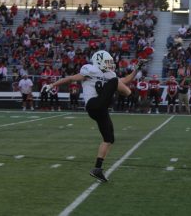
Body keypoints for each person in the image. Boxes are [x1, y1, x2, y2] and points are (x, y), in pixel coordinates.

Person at [44, 50, 144, 182]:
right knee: (115, 81)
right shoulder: (90, 71)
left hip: (101, 109)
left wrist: (136, 69)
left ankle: (97, 169)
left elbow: (125, 80)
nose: (110, 65)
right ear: (99, 61)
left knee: (109, 139)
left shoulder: (110, 75)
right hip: (93, 104)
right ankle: (135, 100)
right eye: (107, 62)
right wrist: (52, 85)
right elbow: (70, 78)